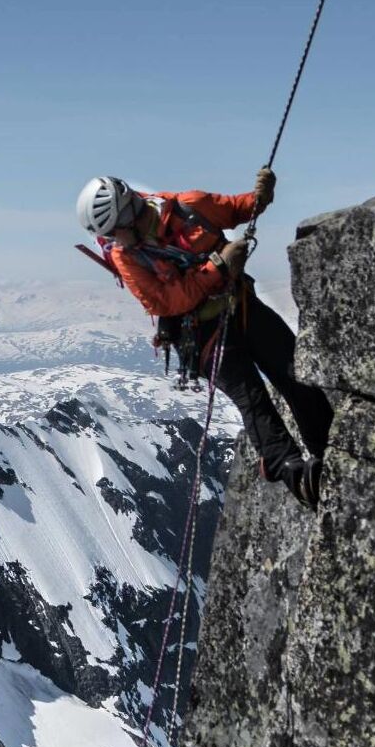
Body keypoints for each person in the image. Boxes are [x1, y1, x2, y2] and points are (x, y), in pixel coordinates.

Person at [75, 170, 333, 508]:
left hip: (240, 308)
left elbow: (239, 209)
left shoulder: (190, 207)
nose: (111, 242)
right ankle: (294, 472)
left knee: (293, 374)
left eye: (112, 232)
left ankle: (328, 449)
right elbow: (165, 301)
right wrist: (219, 268)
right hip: (201, 337)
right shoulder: (127, 258)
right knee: (252, 398)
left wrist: (260, 196)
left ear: (127, 216)